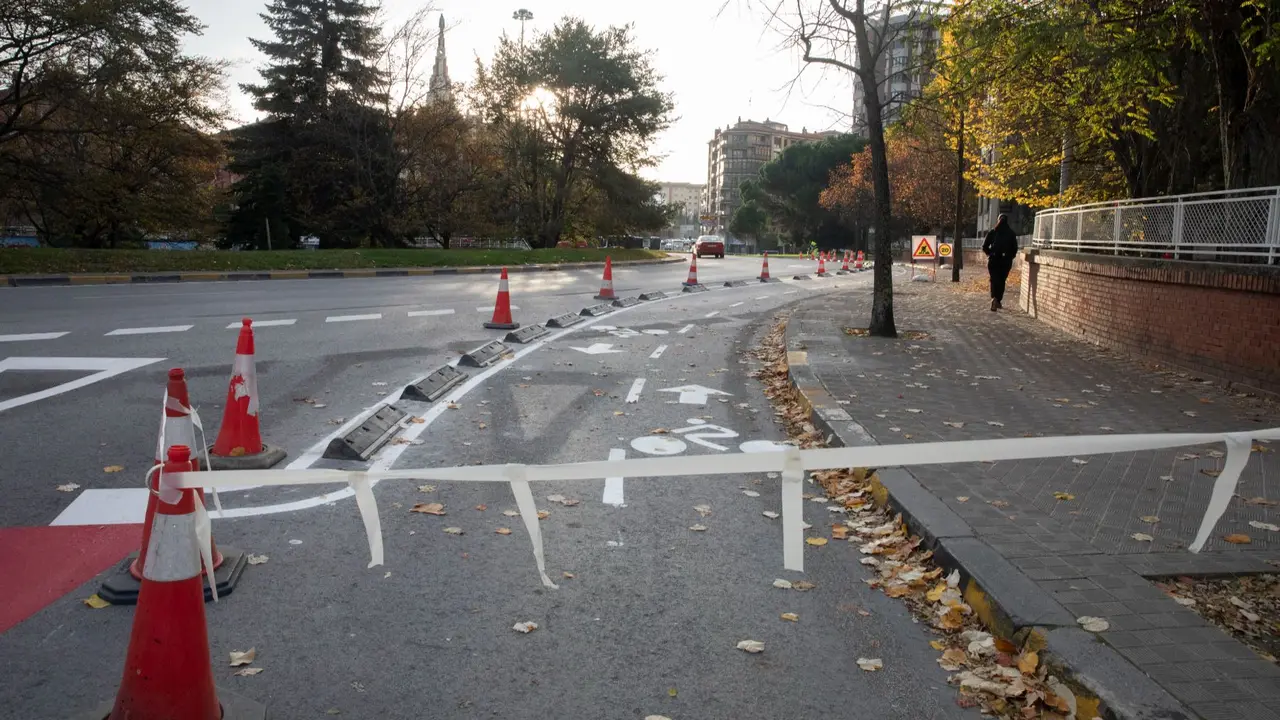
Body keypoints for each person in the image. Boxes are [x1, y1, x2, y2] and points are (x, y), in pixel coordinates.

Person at [981, 214, 1019, 311]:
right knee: (1001, 281)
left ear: (998, 220)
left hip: (993, 260)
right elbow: (1015, 248)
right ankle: (997, 299)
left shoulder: (993, 232)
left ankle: (994, 298)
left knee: (994, 280)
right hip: (1005, 261)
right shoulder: (1011, 234)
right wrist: (1010, 257)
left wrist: (990, 254)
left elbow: (984, 246)